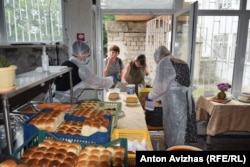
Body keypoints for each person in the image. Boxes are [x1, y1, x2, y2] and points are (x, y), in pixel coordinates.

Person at [147, 46, 197, 148]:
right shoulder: (181, 62)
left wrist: (150, 97)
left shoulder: (164, 63)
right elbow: (175, 84)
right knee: (184, 132)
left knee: (176, 131)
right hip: (187, 101)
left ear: (158, 57)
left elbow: (161, 87)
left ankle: (175, 150)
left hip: (176, 104)